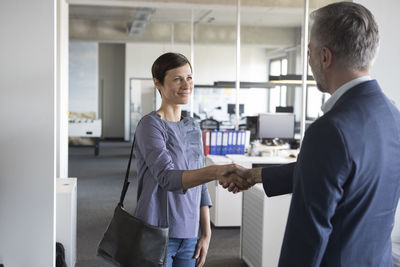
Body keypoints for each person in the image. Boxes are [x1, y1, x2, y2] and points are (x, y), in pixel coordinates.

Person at [223, 2, 400, 266]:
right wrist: (257, 175)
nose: (309, 60)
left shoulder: (329, 130)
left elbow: (307, 239)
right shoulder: (393, 115)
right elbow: (345, 175)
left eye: (309, 51)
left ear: (325, 57)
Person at [132, 52, 248, 267]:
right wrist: (215, 171)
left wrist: (206, 231)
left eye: (189, 77)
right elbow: (167, 178)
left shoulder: (193, 126)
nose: (186, 84)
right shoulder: (150, 126)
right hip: (157, 231)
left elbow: (200, 182)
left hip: (189, 232)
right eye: (177, 79)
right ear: (158, 83)